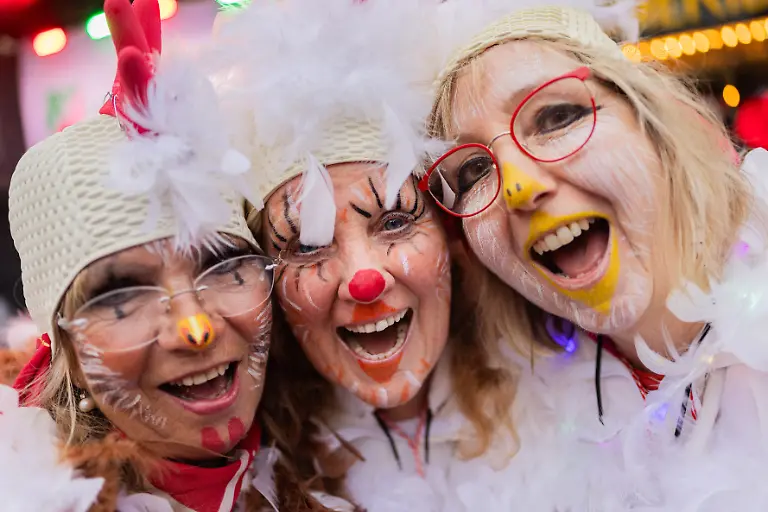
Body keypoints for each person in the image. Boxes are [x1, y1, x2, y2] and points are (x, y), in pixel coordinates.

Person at [422, 0, 768, 509]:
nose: (517, 186)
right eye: (474, 172)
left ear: (650, 121)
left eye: (555, 116)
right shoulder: (521, 434)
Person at [1, 0, 331, 510]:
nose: (195, 328)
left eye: (222, 265)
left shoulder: (338, 462)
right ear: (61, 346)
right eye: (122, 298)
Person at [208, 1, 518, 510]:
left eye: (394, 222)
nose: (363, 278)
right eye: (307, 246)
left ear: (450, 235)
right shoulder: (246, 488)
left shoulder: (575, 384)